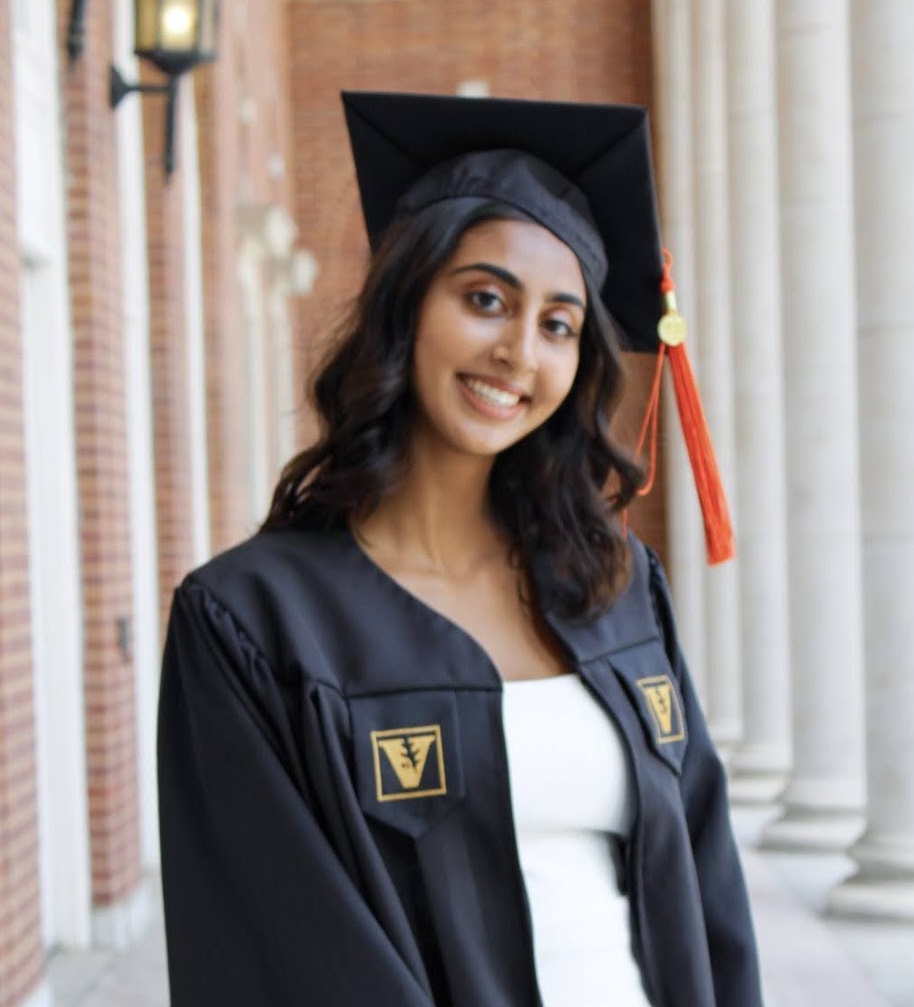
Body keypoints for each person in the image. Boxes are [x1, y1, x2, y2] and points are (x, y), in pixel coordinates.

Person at [157, 91, 763, 1007]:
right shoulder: (256, 623)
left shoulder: (614, 585)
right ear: (405, 305)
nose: (519, 351)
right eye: (486, 299)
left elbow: (707, 877)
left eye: (558, 324)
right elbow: (285, 948)